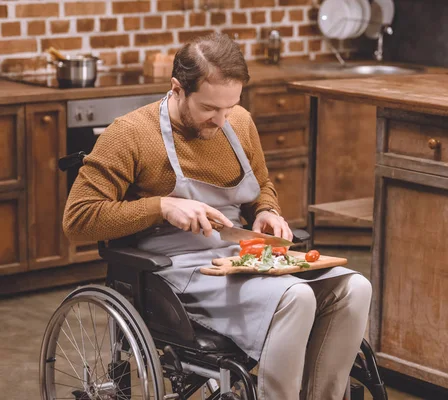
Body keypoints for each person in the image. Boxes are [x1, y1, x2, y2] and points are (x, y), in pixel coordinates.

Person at [63, 32, 372, 400]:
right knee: (297, 297)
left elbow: (262, 185)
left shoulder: (238, 122)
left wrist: (265, 211)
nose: (222, 120)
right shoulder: (130, 134)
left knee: (354, 288)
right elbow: (78, 219)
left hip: (238, 257)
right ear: (177, 89)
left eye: (230, 107)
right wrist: (161, 206)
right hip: (173, 269)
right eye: (210, 109)